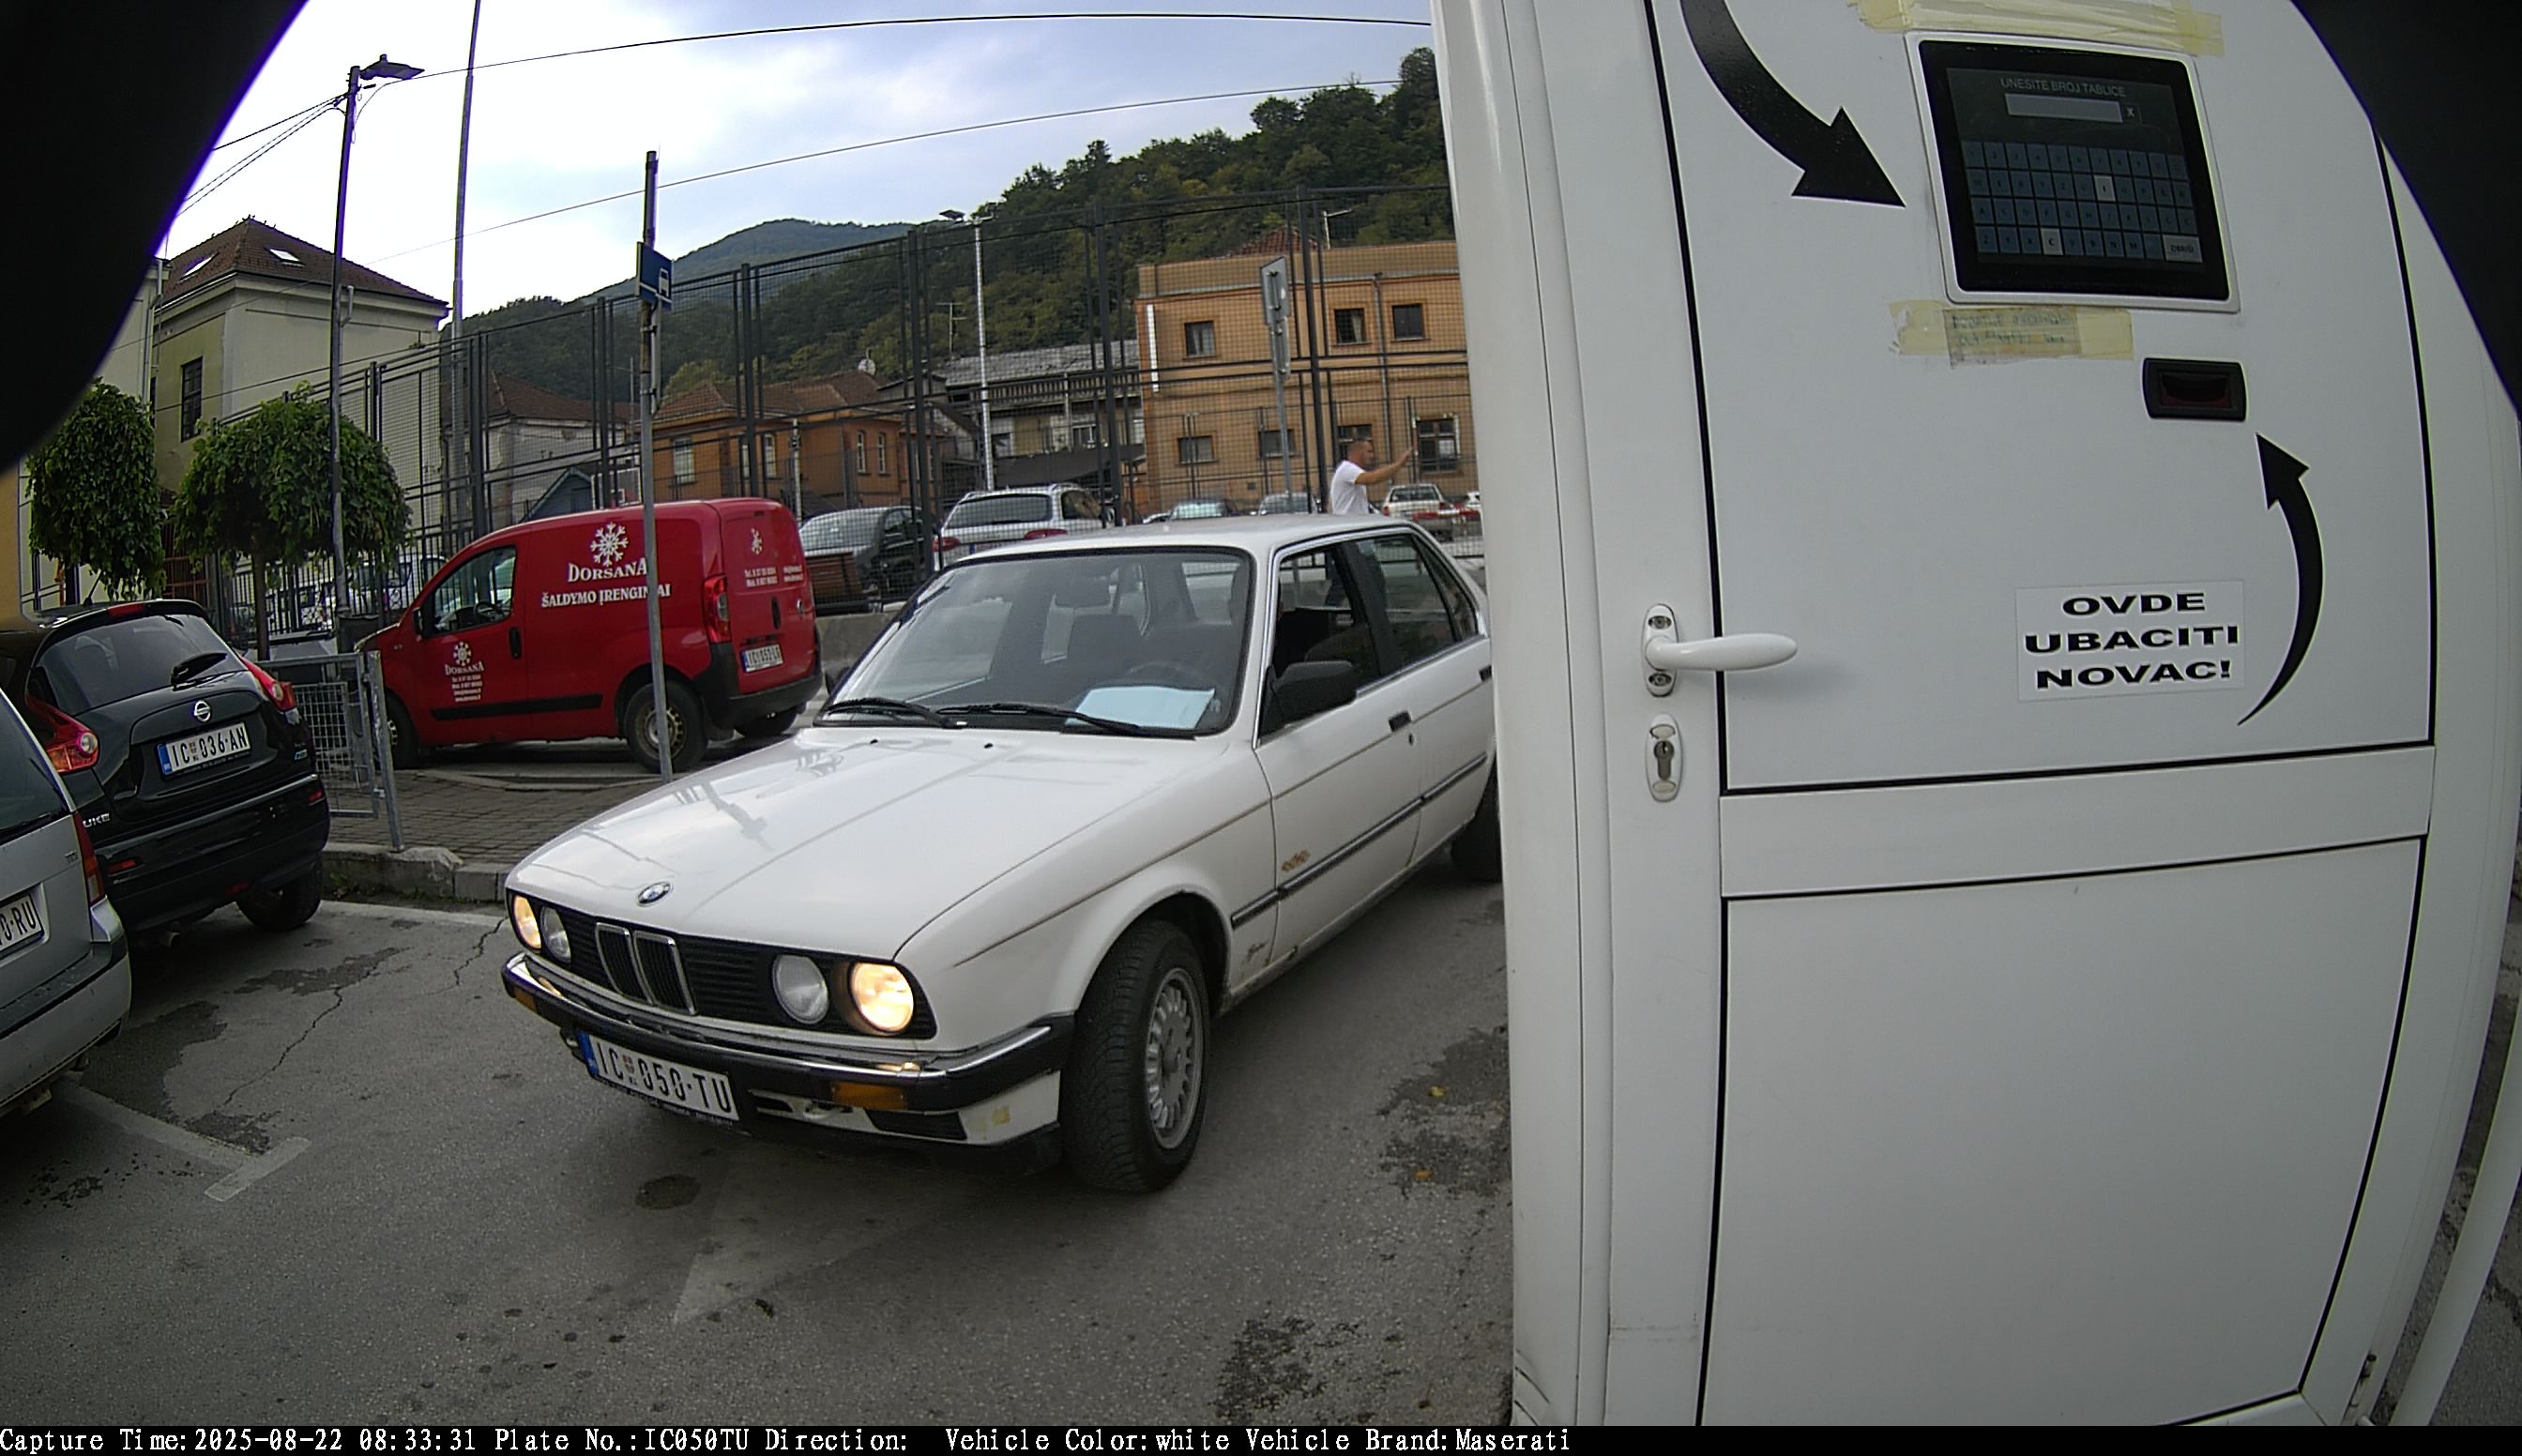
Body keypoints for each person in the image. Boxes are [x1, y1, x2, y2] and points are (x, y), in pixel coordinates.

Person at [1328, 437, 1409, 515]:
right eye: (1369, 452)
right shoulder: (1347, 469)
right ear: (1358, 453)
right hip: (1350, 522)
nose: (1372, 456)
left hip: (1355, 521)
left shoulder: (1352, 472)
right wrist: (1399, 464)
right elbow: (1373, 479)